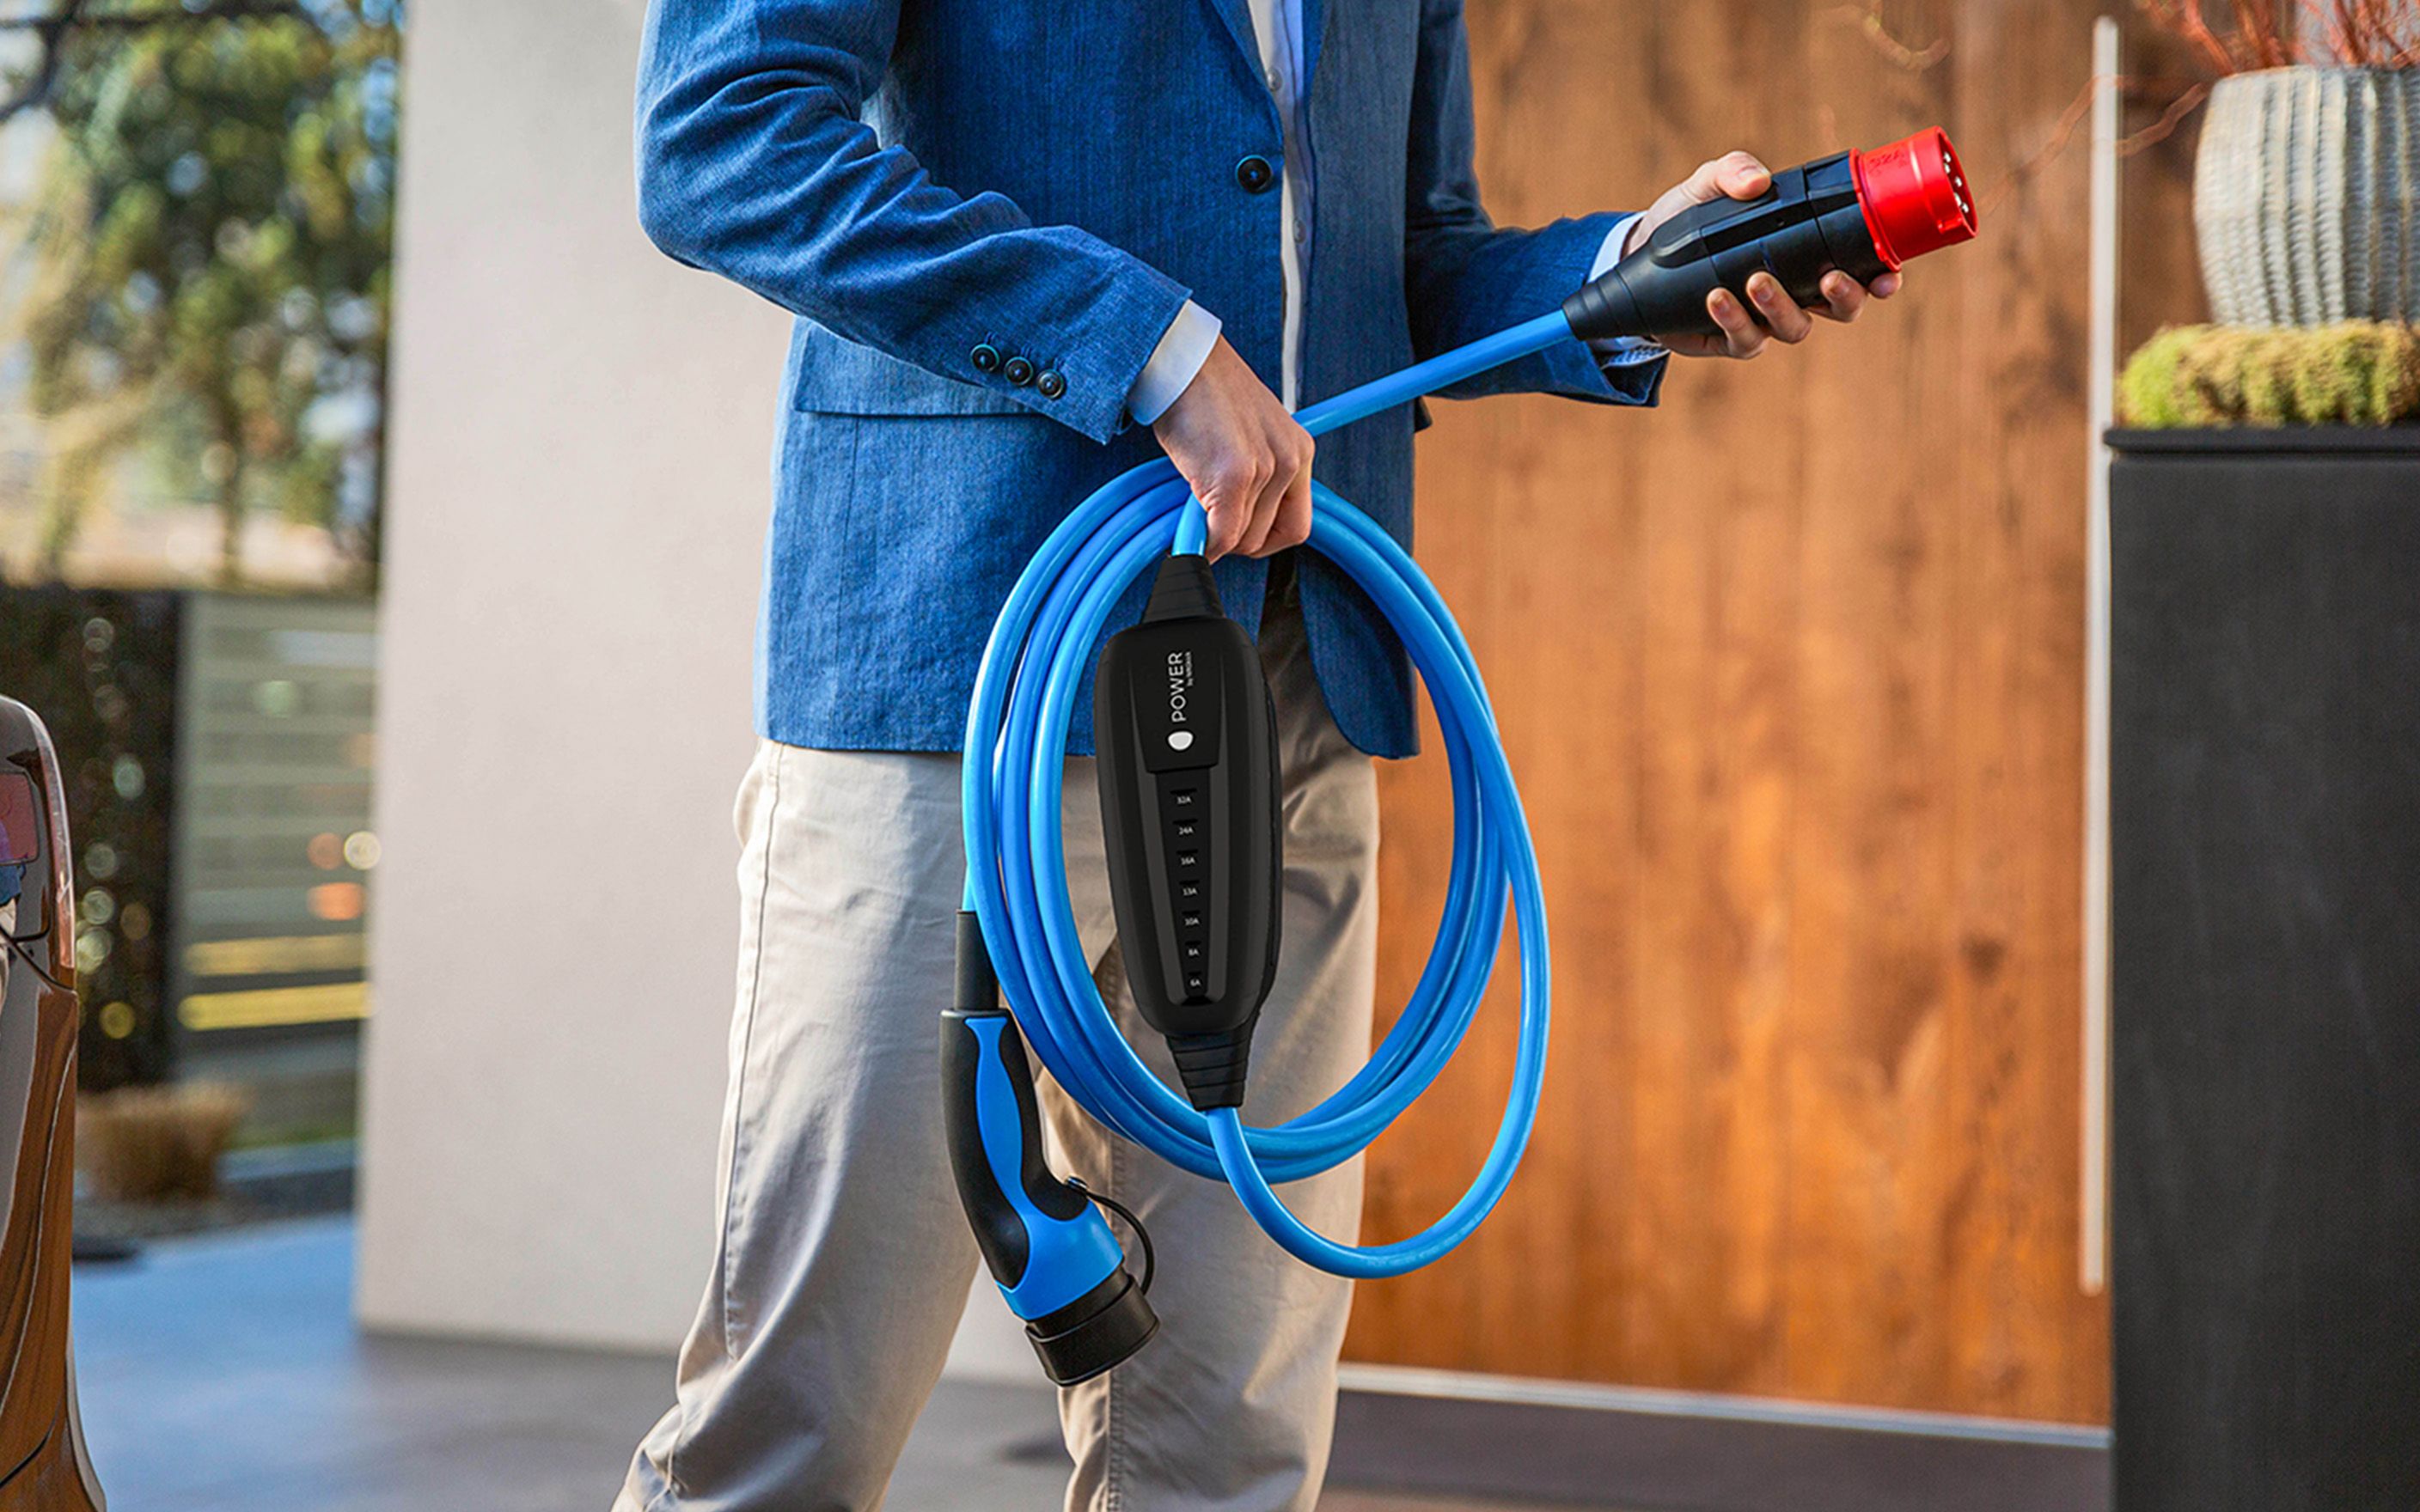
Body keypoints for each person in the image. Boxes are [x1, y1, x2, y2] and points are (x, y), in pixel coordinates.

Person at [617, 3, 1900, 1509]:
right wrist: (1140, 346)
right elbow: (723, 141)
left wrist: (1624, 278)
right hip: (962, 680)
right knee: (804, 1415)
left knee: (1229, 1443)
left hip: (1294, 681)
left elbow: (1394, 269)